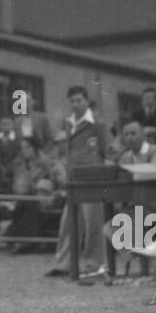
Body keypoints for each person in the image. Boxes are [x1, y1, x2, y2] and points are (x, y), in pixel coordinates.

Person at [47, 85, 112, 280]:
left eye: (79, 100)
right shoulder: (67, 123)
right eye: (72, 101)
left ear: (86, 100)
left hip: (93, 180)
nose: (75, 104)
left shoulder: (97, 124)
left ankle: (94, 263)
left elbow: (108, 150)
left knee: (92, 222)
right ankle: (64, 262)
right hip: (73, 180)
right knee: (68, 221)